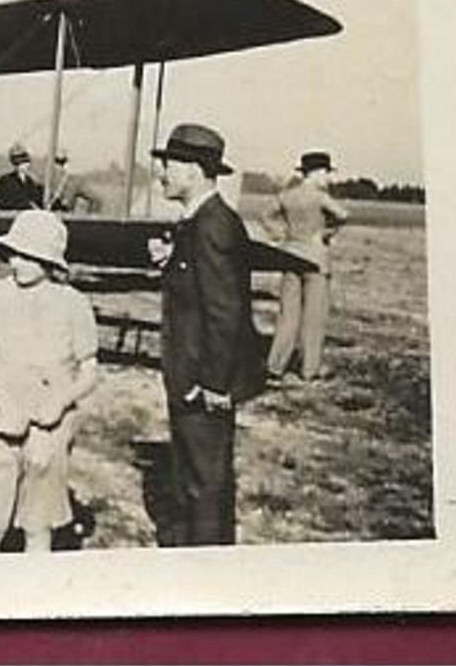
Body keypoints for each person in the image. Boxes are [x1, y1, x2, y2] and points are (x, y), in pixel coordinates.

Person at [149, 123, 263, 547]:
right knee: (191, 474)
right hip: (192, 378)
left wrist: (215, 383)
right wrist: (171, 257)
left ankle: (205, 572)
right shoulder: (200, 220)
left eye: (170, 165)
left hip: (202, 382)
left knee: (205, 480)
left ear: (195, 171)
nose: (162, 174)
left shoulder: (212, 224)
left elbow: (223, 313)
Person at [0, 210, 100, 552]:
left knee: (39, 517)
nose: (19, 263)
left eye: (31, 256)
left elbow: (89, 370)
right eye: (15, 253)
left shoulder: (72, 304)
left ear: (50, 261)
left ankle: (33, 579)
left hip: (48, 422)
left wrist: (60, 401)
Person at [266, 151, 351, 382]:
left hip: (290, 255)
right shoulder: (320, 197)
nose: (328, 178)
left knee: (287, 315)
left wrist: (281, 236)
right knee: (314, 318)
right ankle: (309, 370)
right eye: (326, 173)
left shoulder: (287, 195)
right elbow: (344, 214)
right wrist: (325, 233)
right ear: (316, 173)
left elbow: (266, 216)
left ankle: (275, 366)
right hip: (316, 260)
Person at [0, 142, 44, 210]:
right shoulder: (6, 180)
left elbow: (37, 196)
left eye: (26, 162)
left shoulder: (30, 182)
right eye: (22, 163)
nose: (26, 166)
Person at [47, 149, 100, 214]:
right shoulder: (56, 179)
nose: (59, 167)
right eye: (58, 163)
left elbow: (92, 198)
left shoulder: (73, 179)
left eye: (62, 163)